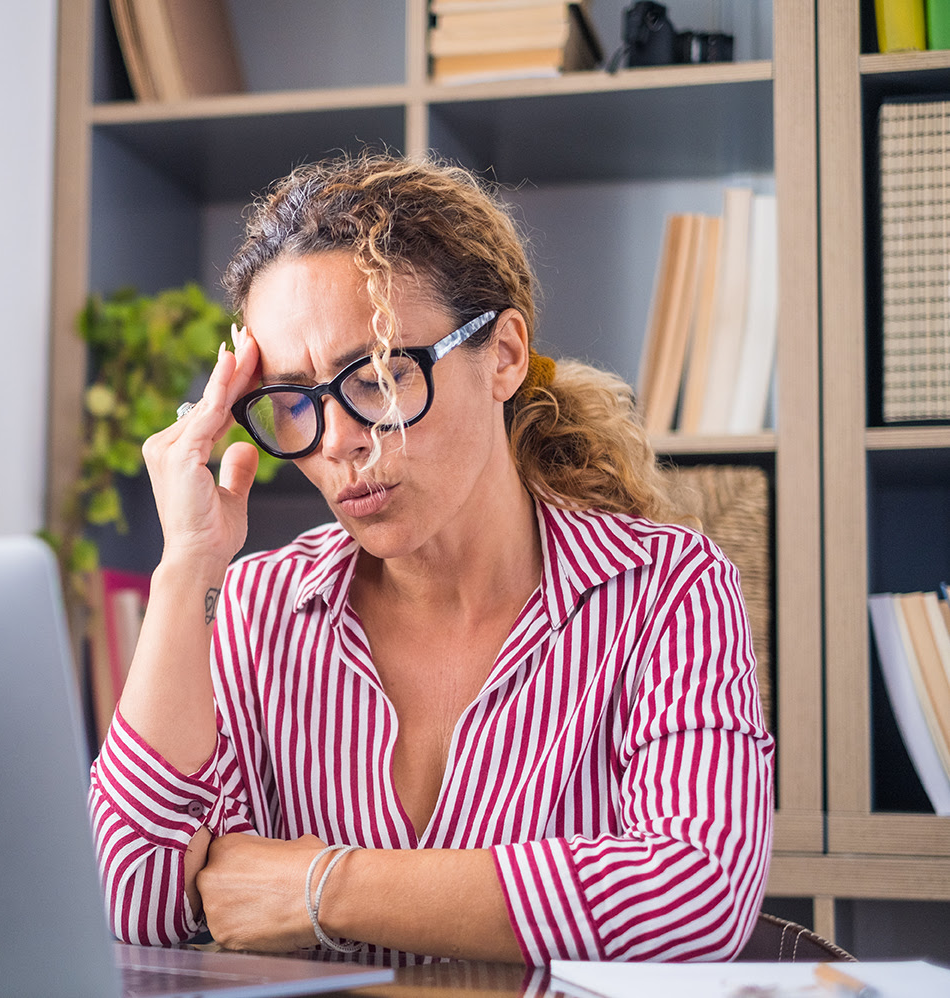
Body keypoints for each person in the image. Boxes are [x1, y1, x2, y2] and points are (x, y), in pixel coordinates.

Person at [86, 153, 773, 965]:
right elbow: (137, 902)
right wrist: (186, 570)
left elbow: (696, 896)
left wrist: (321, 888)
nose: (337, 439)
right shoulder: (256, 606)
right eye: (294, 399)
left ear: (505, 356)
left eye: (376, 377)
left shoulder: (666, 590)